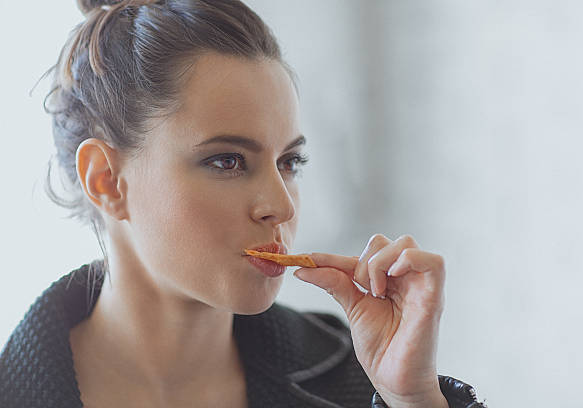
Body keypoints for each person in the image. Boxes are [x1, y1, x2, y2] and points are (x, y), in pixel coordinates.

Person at [0, 1, 487, 407]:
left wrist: (412, 399)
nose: (281, 206)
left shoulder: (358, 378)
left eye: (290, 162)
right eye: (228, 161)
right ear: (106, 180)